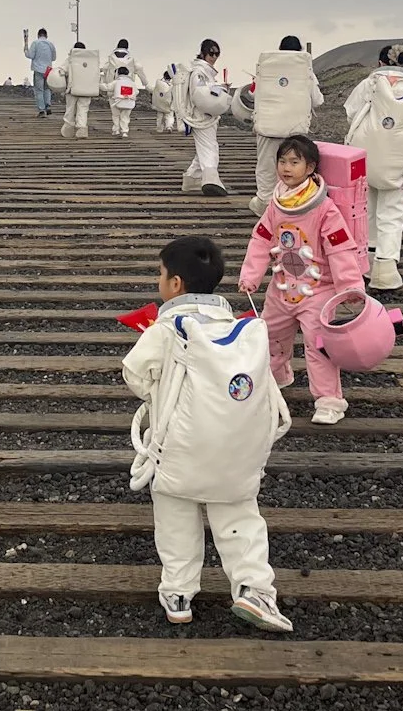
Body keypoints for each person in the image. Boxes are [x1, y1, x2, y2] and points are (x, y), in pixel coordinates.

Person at [122, 234, 293, 633]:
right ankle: (254, 590)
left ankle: (179, 593)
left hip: (181, 449)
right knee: (239, 516)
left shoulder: (167, 328)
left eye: (160, 274)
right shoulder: (244, 330)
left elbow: (134, 374)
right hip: (238, 449)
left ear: (175, 283)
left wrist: (161, 387)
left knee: (176, 517)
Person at [239, 134, 363, 426]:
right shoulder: (277, 203)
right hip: (281, 286)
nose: (286, 167)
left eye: (294, 162)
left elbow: (340, 248)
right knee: (270, 336)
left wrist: (349, 287)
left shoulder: (325, 208)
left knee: (318, 344)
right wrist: (250, 276)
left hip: (319, 290)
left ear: (310, 168)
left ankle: (329, 400)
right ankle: (276, 377)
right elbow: (261, 239)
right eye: (282, 161)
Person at [343, 45, 403, 290]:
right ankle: (386, 269)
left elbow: (351, 113)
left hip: (365, 156)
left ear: (380, 63)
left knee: (367, 208)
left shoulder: (368, 85)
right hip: (397, 159)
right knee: (392, 212)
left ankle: (366, 261)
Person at [246, 34, 325, 215]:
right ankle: (291, 202)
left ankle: (265, 204)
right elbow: (317, 100)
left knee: (266, 167)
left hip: (268, 127)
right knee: (294, 166)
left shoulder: (267, 67)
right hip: (294, 128)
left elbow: (252, 94)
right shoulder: (306, 70)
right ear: (300, 51)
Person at [179, 39, 233, 195]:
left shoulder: (205, 72)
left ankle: (191, 179)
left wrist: (219, 87)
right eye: (211, 53)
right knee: (209, 148)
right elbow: (199, 93)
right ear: (203, 53)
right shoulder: (199, 72)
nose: (214, 57)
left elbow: (205, 90)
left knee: (203, 148)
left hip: (207, 116)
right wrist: (218, 88)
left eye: (217, 54)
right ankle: (211, 180)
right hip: (201, 116)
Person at [102, 38, 149, 138]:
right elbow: (140, 69)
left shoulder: (111, 58)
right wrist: (146, 84)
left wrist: (102, 82)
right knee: (125, 113)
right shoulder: (131, 59)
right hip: (128, 88)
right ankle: (124, 131)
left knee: (115, 113)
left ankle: (116, 129)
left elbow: (105, 69)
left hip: (113, 88)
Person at [26, 27, 56, 117]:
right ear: (46, 35)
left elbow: (30, 55)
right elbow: (54, 58)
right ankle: (48, 105)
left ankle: (41, 110)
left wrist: (25, 50)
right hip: (48, 70)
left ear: (38, 35)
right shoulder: (50, 44)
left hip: (38, 69)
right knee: (47, 88)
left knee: (39, 90)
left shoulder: (35, 43)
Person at [152, 67, 177, 132]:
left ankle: (159, 129)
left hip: (159, 104)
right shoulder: (172, 85)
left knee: (159, 117)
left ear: (164, 76)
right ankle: (169, 126)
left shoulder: (158, 83)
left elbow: (154, 90)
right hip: (168, 104)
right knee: (170, 116)